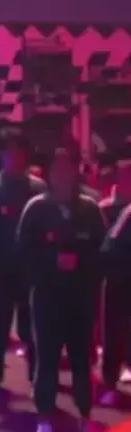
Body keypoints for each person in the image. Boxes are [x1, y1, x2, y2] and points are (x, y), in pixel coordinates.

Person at [17, 146, 106, 432]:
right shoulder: (36, 209)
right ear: (49, 173)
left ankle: (85, 413)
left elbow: (103, 252)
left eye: (68, 167)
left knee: (82, 359)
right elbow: (23, 251)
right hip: (47, 297)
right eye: (57, 169)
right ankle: (45, 414)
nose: (63, 174)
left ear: (77, 171)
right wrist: (51, 262)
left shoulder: (90, 209)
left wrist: (81, 263)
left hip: (80, 299)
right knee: (47, 359)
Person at [0, 130, 47, 408]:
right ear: (1, 155)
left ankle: (38, 382)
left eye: (18, 151)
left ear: (26, 155)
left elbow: (47, 230)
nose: (13, 157)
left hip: (31, 272)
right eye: (8, 151)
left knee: (34, 331)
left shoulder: (39, 189)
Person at [100, 154, 131, 405]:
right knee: (113, 330)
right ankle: (109, 382)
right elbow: (108, 246)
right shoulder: (106, 209)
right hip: (117, 278)